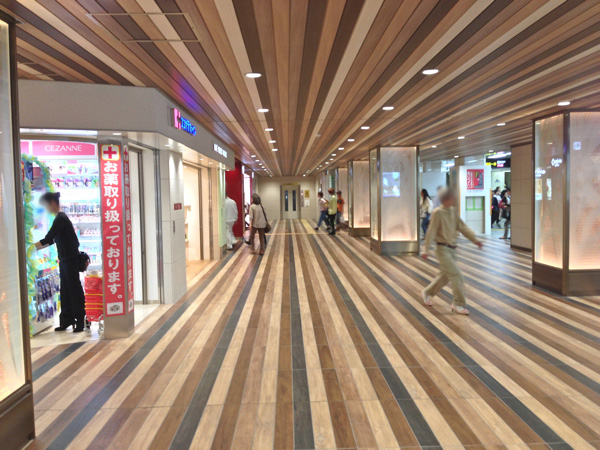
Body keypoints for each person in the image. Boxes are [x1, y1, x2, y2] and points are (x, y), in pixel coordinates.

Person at [421, 189, 483, 315]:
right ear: (445, 199)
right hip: (442, 250)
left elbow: (463, 227)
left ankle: (427, 292)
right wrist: (425, 249)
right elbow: (431, 231)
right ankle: (458, 303)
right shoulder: (438, 213)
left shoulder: (453, 212)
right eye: (452, 198)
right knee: (457, 275)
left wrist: (475, 240)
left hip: (452, 250)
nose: (454, 200)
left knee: (444, 277)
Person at [34, 192, 86, 332]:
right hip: (64, 259)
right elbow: (51, 240)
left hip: (70, 259)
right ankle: (67, 320)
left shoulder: (61, 218)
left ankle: (80, 321)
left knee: (73, 290)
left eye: (46, 206)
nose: (46, 209)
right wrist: (36, 247)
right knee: (65, 290)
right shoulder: (59, 218)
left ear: (52, 203)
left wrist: (31, 247)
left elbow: (48, 238)